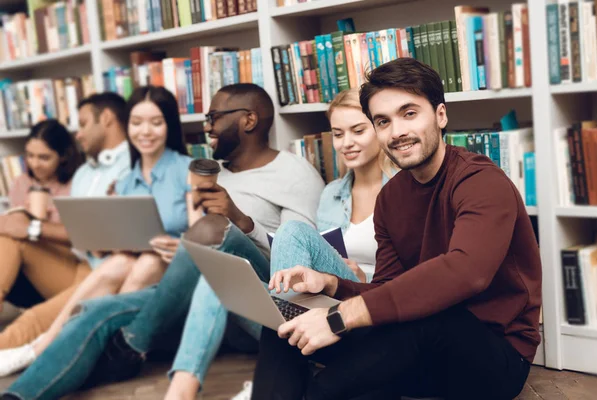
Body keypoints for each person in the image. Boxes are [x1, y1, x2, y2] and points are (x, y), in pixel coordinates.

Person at [0, 83, 325, 400]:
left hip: (261, 304)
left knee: (214, 246)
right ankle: (20, 393)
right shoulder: (212, 175)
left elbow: (297, 263)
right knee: (96, 310)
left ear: (248, 120)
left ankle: (137, 343)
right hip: (199, 300)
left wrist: (240, 221)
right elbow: (194, 242)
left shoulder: (293, 173)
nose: (206, 127)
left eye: (213, 117)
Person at [250, 58, 542, 400]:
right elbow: (387, 289)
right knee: (287, 321)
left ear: (441, 115)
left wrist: (338, 318)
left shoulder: (481, 181)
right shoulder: (391, 197)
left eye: (409, 113)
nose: (397, 131)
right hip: (419, 348)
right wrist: (332, 284)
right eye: (383, 121)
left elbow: (466, 272)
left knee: (430, 315)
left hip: (495, 358)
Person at [0, 86, 194, 377]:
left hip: (172, 267)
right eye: (137, 122)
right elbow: (119, 242)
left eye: (156, 122)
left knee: (145, 261)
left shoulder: (187, 169)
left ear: (169, 126)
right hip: (119, 262)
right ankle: (44, 350)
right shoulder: (126, 180)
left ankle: (96, 348)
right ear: (127, 126)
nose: (146, 132)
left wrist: (180, 246)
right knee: (122, 261)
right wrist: (114, 239)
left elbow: (203, 233)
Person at [231, 88, 397, 398]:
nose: (346, 143)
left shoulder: (404, 190)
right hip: (333, 296)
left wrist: (362, 280)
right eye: (338, 133)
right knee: (245, 272)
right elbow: (324, 250)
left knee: (292, 231)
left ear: (380, 128)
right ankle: (290, 366)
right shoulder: (331, 193)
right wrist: (335, 275)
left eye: (358, 130)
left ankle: (283, 374)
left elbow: (414, 276)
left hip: (374, 299)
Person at [0, 93, 131, 353]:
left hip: (106, 270)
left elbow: (107, 237)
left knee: (34, 319)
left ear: (106, 119)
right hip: (77, 264)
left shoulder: (129, 168)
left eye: (82, 124)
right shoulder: (86, 173)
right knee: (8, 237)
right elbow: (85, 234)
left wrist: (34, 227)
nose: (78, 134)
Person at [0, 120, 84, 314]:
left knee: (12, 240)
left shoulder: (77, 183)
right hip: (24, 268)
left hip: (65, 266)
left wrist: (40, 224)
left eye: (44, 157)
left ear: (63, 156)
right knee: (7, 238)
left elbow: (81, 240)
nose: (35, 164)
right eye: (30, 156)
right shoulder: (21, 182)